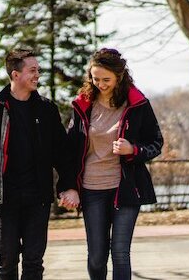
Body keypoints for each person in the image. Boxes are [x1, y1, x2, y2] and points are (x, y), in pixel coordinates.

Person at [57, 48, 164, 280]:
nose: (101, 84)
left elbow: (156, 142)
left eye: (106, 79)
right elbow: (70, 151)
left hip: (125, 188)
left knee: (120, 253)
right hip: (91, 189)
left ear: (120, 76)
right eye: (96, 79)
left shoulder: (137, 104)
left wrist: (133, 150)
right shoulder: (83, 105)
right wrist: (69, 186)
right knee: (96, 257)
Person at [0, 48, 68, 280]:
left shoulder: (47, 110)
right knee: (6, 261)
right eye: (32, 70)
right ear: (15, 74)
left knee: (34, 262)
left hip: (38, 199)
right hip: (4, 200)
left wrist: (67, 185)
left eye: (38, 70)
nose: (38, 75)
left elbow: (62, 152)